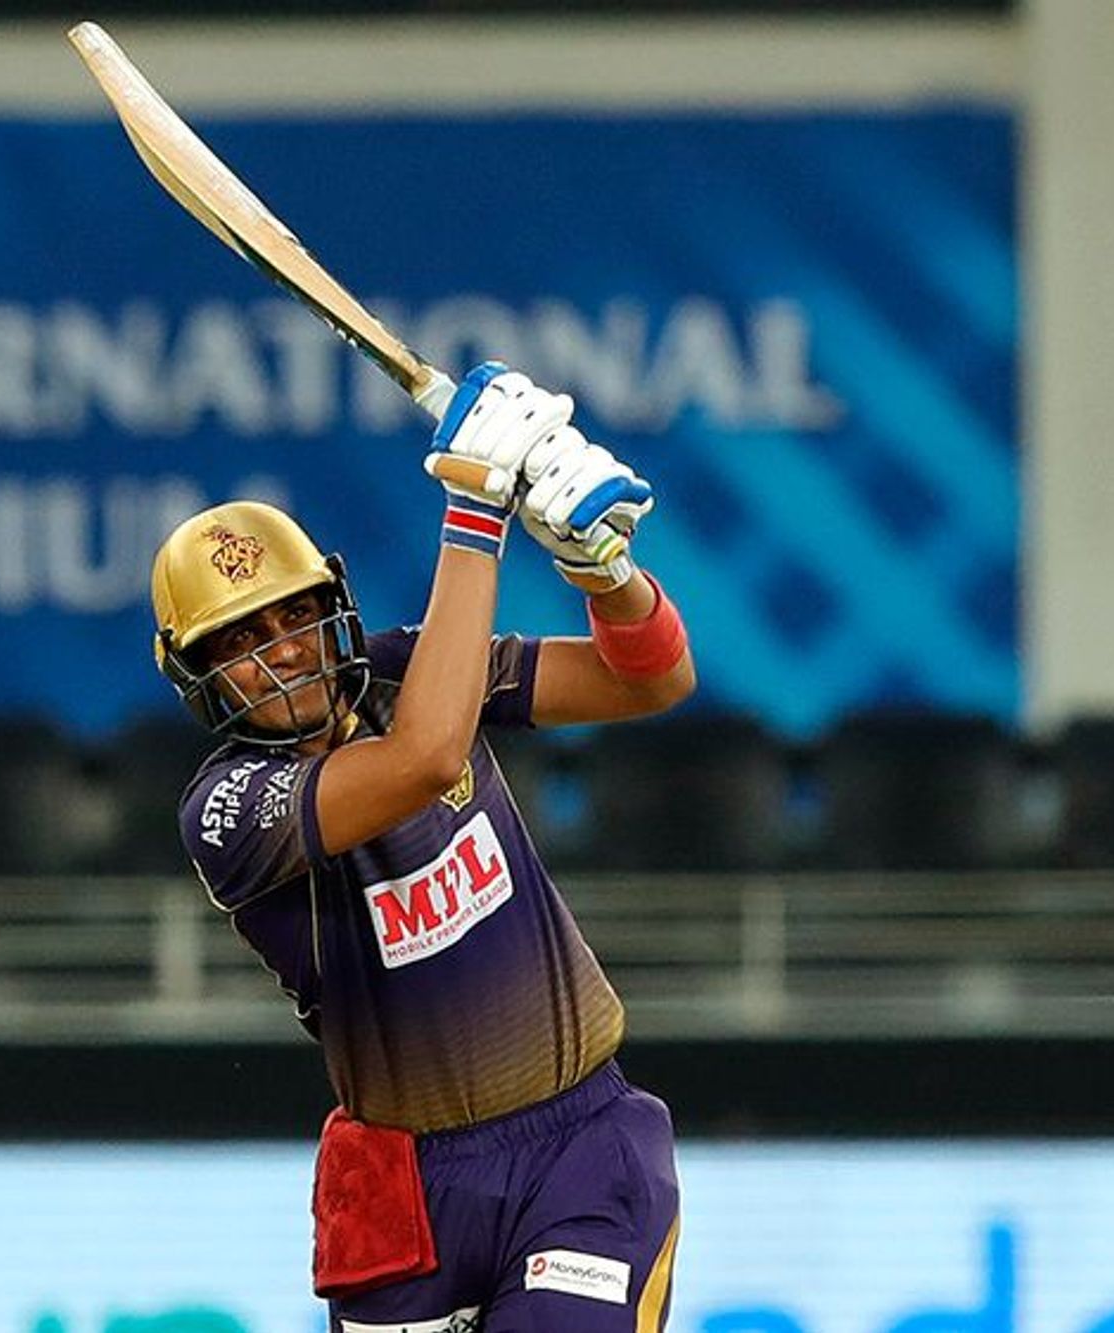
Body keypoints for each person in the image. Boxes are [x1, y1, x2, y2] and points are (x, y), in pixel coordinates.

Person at [148, 362, 697, 1332]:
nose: (280, 649)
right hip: (405, 1192)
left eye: (293, 614)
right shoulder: (227, 808)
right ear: (197, 676)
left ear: (333, 605)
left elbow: (649, 681)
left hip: (579, 1140)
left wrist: (602, 573)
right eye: (238, 640)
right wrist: (475, 506)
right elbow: (426, 755)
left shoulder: (405, 669)